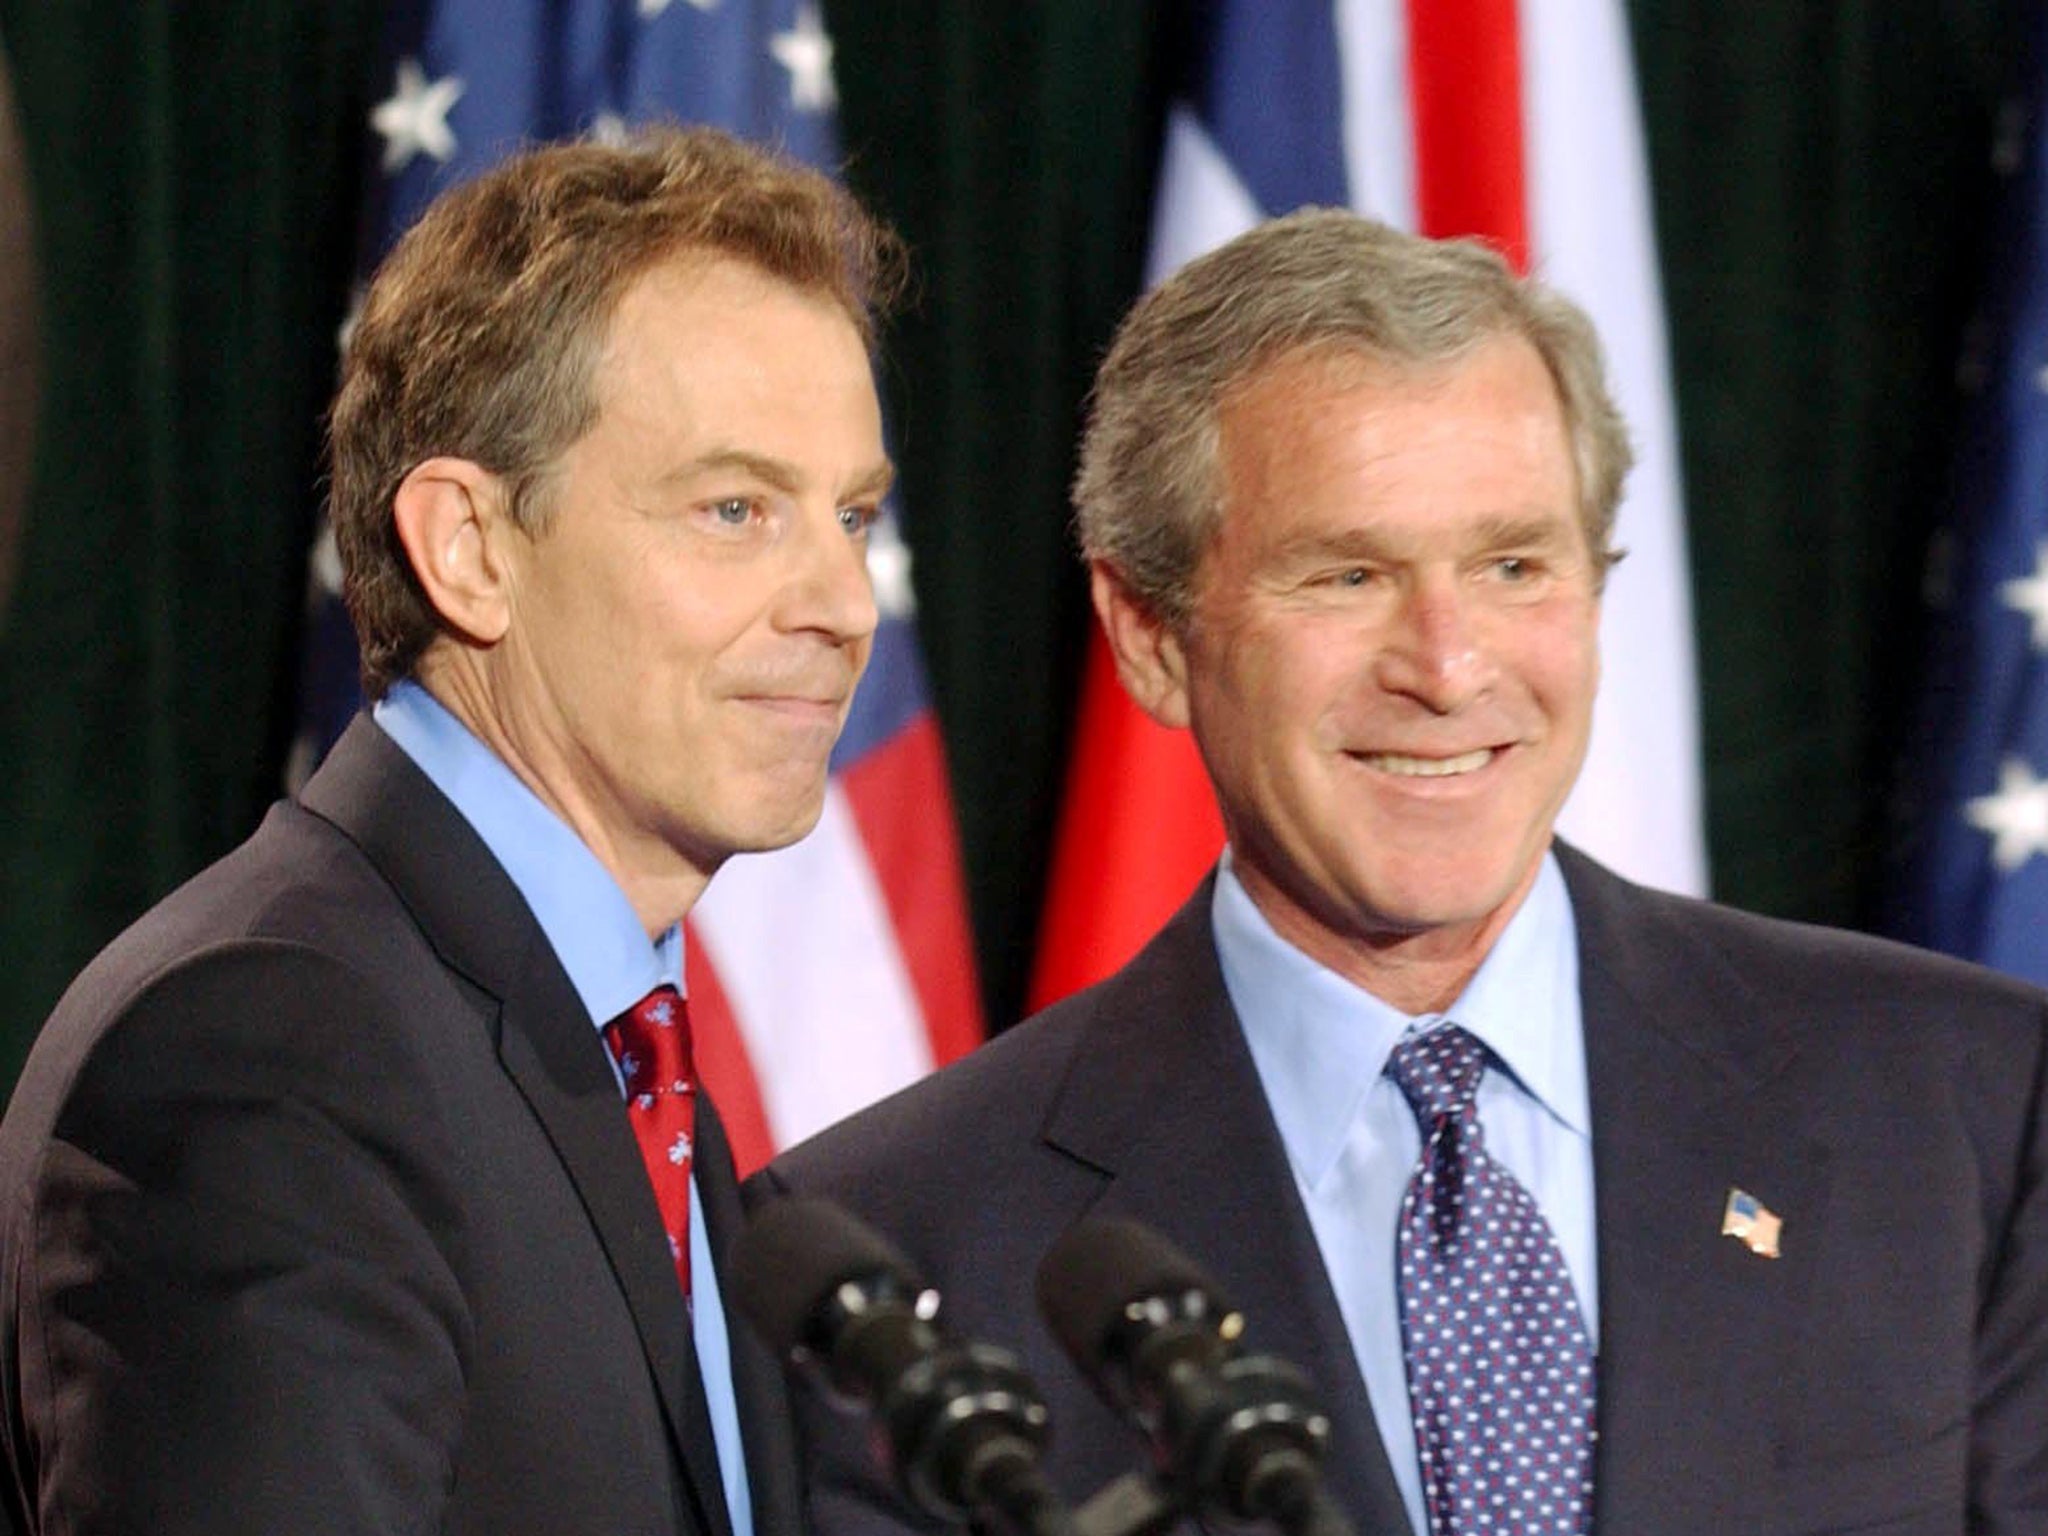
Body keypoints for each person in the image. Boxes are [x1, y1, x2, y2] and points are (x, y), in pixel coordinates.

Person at [766, 210, 2048, 1536]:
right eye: (1347, 575)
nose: (1446, 666)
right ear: (1149, 637)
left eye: (1512, 566)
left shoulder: (1972, 1111)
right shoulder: (901, 1255)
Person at [0, 125, 902, 1536]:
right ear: (472, 547)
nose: (844, 603)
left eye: (852, 515)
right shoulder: (271, 1054)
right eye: (737, 508)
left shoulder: (623, 1057)